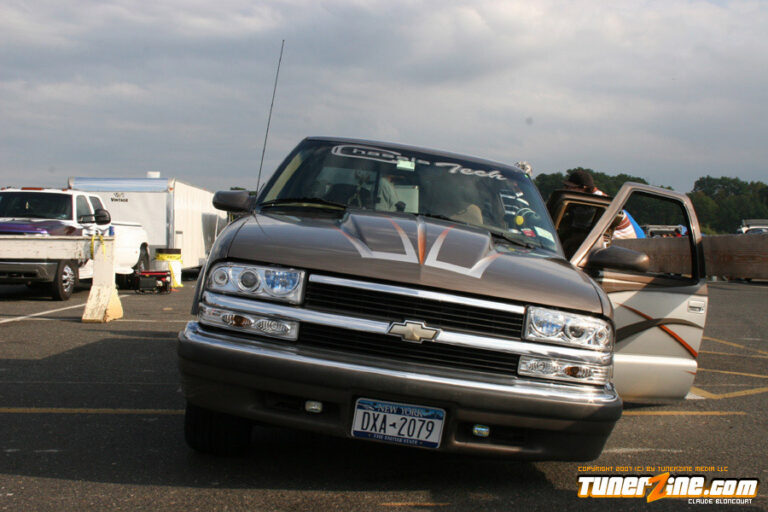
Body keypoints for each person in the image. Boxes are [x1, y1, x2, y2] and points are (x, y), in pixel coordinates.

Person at [563, 169, 638, 239]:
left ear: (583, 187)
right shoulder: (593, 198)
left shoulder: (595, 201)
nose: (567, 189)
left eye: (570, 187)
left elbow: (581, 228)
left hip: (621, 242)